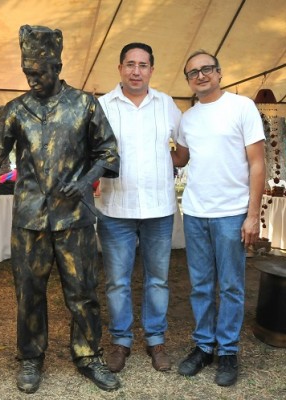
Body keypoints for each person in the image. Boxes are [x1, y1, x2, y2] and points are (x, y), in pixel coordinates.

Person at [0, 25, 121, 393]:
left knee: (83, 290)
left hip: (74, 218)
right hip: (30, 219)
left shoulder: (84, 105)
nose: (33, 80)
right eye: (28, 73)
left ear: (58, 66)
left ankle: (88, 355)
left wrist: (85, 180)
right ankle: (31, 357)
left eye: (40, 73)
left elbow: (109, 153)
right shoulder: (17, 111)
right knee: (29, 291)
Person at [171, 50, 265, 386]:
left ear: (220, 72)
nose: (200, 76)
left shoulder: (241, 108)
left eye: (206, 69)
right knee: (199, 286)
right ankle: (203, 346)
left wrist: (252, 215)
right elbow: (180, 158)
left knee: (231, 286)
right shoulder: (188, 118)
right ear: (188, 80)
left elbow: (257, 163)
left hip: (231, 213)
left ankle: (227, 350)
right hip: (195, 212)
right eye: (193, 72)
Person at [96, 42, 181, 373]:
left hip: (159, 209)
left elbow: (185, 147)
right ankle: (121, 341)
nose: (136, 70)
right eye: (130, 64)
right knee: (117, 281)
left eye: (143, 65)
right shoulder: (102, 106)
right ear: (119, 68)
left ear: (151, 70)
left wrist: (169, 163)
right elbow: (92, 153)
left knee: (158, 279)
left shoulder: (167, 104)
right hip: (116, 209)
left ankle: (156, 339)